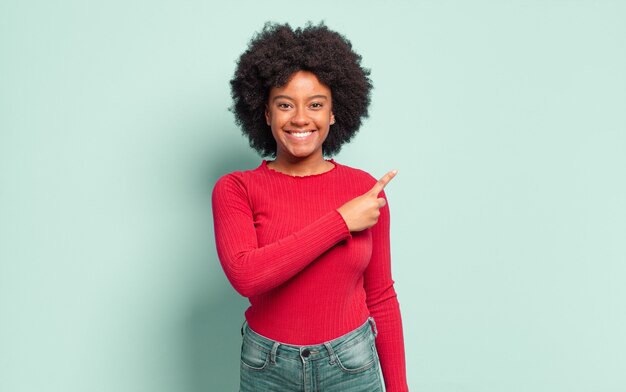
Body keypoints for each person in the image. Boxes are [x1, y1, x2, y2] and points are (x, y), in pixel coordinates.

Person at [212, 22, 408, 391]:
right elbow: (246, 275)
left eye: (315, 105)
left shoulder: (364, 190)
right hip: (267, 366)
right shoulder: (237, 188)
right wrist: (340, 222)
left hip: (351, 363)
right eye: (284, 104)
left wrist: (400, 389)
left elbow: (380, 296)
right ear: (265, 112)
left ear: (334, 113)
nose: (300, 118)